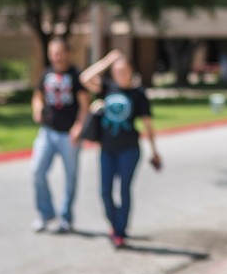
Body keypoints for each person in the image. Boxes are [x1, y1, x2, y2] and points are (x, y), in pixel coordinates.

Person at [80, 49, 161, 249]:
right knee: (105, 192)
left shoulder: (139, 94)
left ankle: (119, 231)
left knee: (124, 189)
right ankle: (114, 224)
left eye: (124, 70)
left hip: (129, 149)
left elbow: (148, 125)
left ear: (131, 71)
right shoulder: (107, 88)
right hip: (107, 149)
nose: (120, 73)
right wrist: (108, 60)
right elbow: (85, 78)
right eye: (117, 70)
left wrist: (154, 150)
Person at [31, 38, 89, 233]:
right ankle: (46, 214)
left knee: (70, 177)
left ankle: (66, 218)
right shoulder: (46, 73)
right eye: (52, 52)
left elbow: (84, 104)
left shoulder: (76, 75)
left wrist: (78, 127)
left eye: (59, 52)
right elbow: (37, 96)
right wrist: (37, 108)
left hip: (68, 135)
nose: (56, 56)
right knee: (37, 171)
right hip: (47, 132)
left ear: (67, 53)